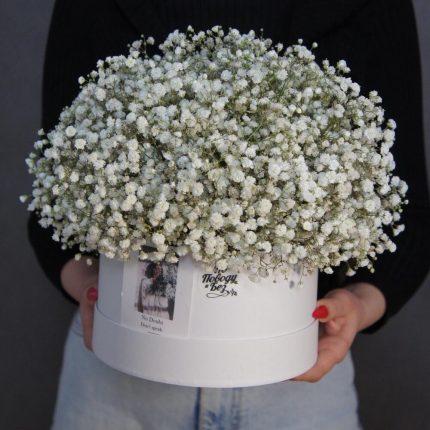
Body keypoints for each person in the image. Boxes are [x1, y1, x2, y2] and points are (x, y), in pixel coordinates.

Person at [27, 0, 430, 428]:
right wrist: (92, 289)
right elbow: (54, 197)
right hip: (119, 383)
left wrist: (357, 306)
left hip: (294, 387)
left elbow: (409, 220)